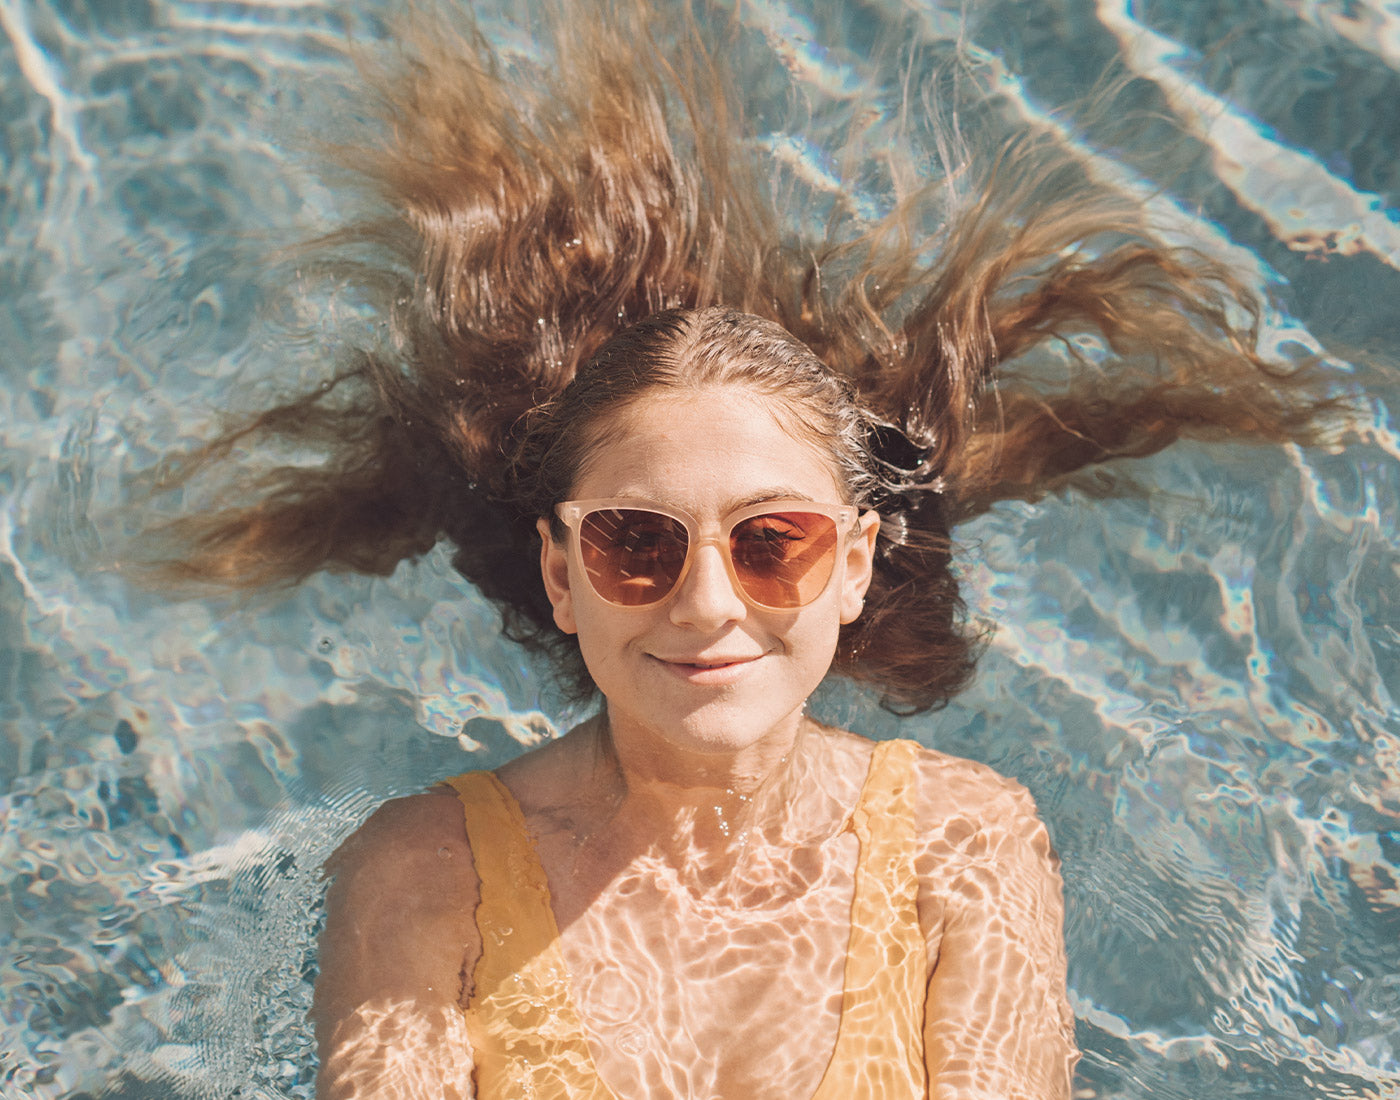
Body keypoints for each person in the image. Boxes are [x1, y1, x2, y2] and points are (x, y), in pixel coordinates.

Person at [138, 3, 1346, 1097]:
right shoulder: (421, 868)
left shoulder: (959, 839)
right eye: (636, 543)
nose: (707, 602)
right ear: (561, 574)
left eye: (772, 541)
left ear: (855, 562)